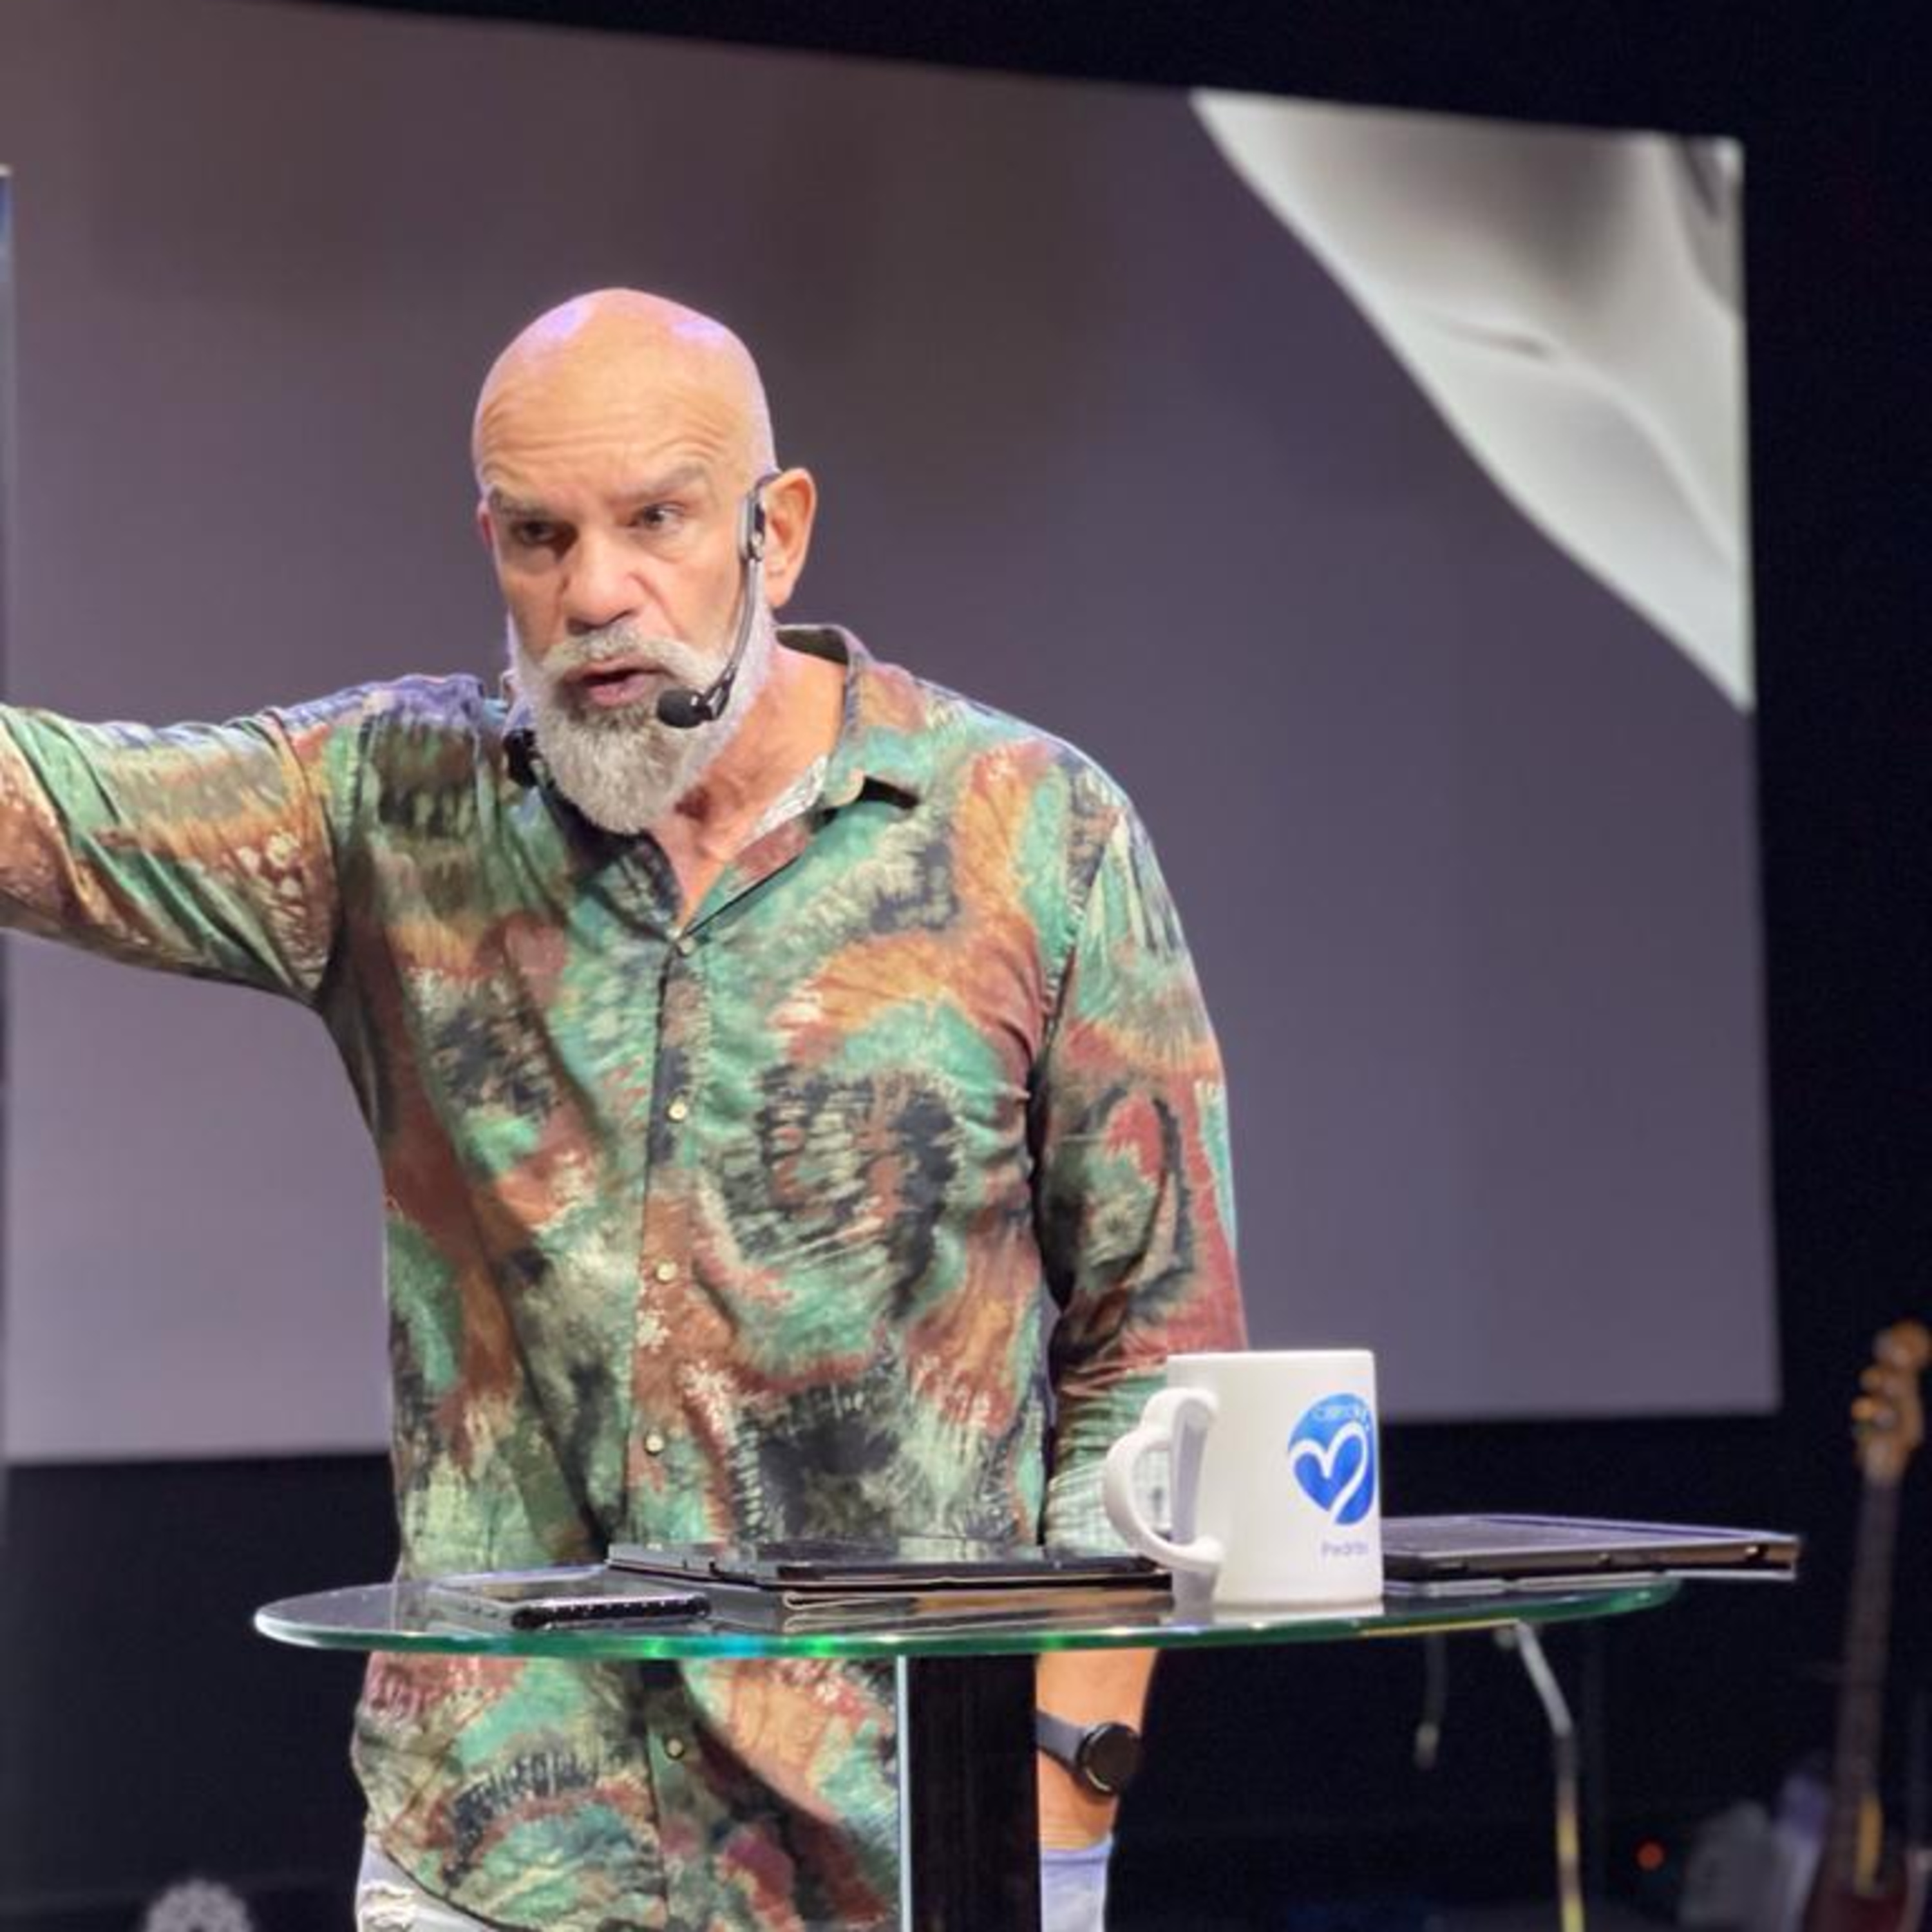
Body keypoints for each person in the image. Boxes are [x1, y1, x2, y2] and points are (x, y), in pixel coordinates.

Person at [0, 290, 1244, 1931]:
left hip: (912, 1857)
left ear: (775, 532)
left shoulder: (1034, 834)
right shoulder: (401, 809)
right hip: (496, 1853)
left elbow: (1160, 1348)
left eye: (656, 519)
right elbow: (49, 813)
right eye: (541, 536)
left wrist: (1064, 1786)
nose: (596, 593)